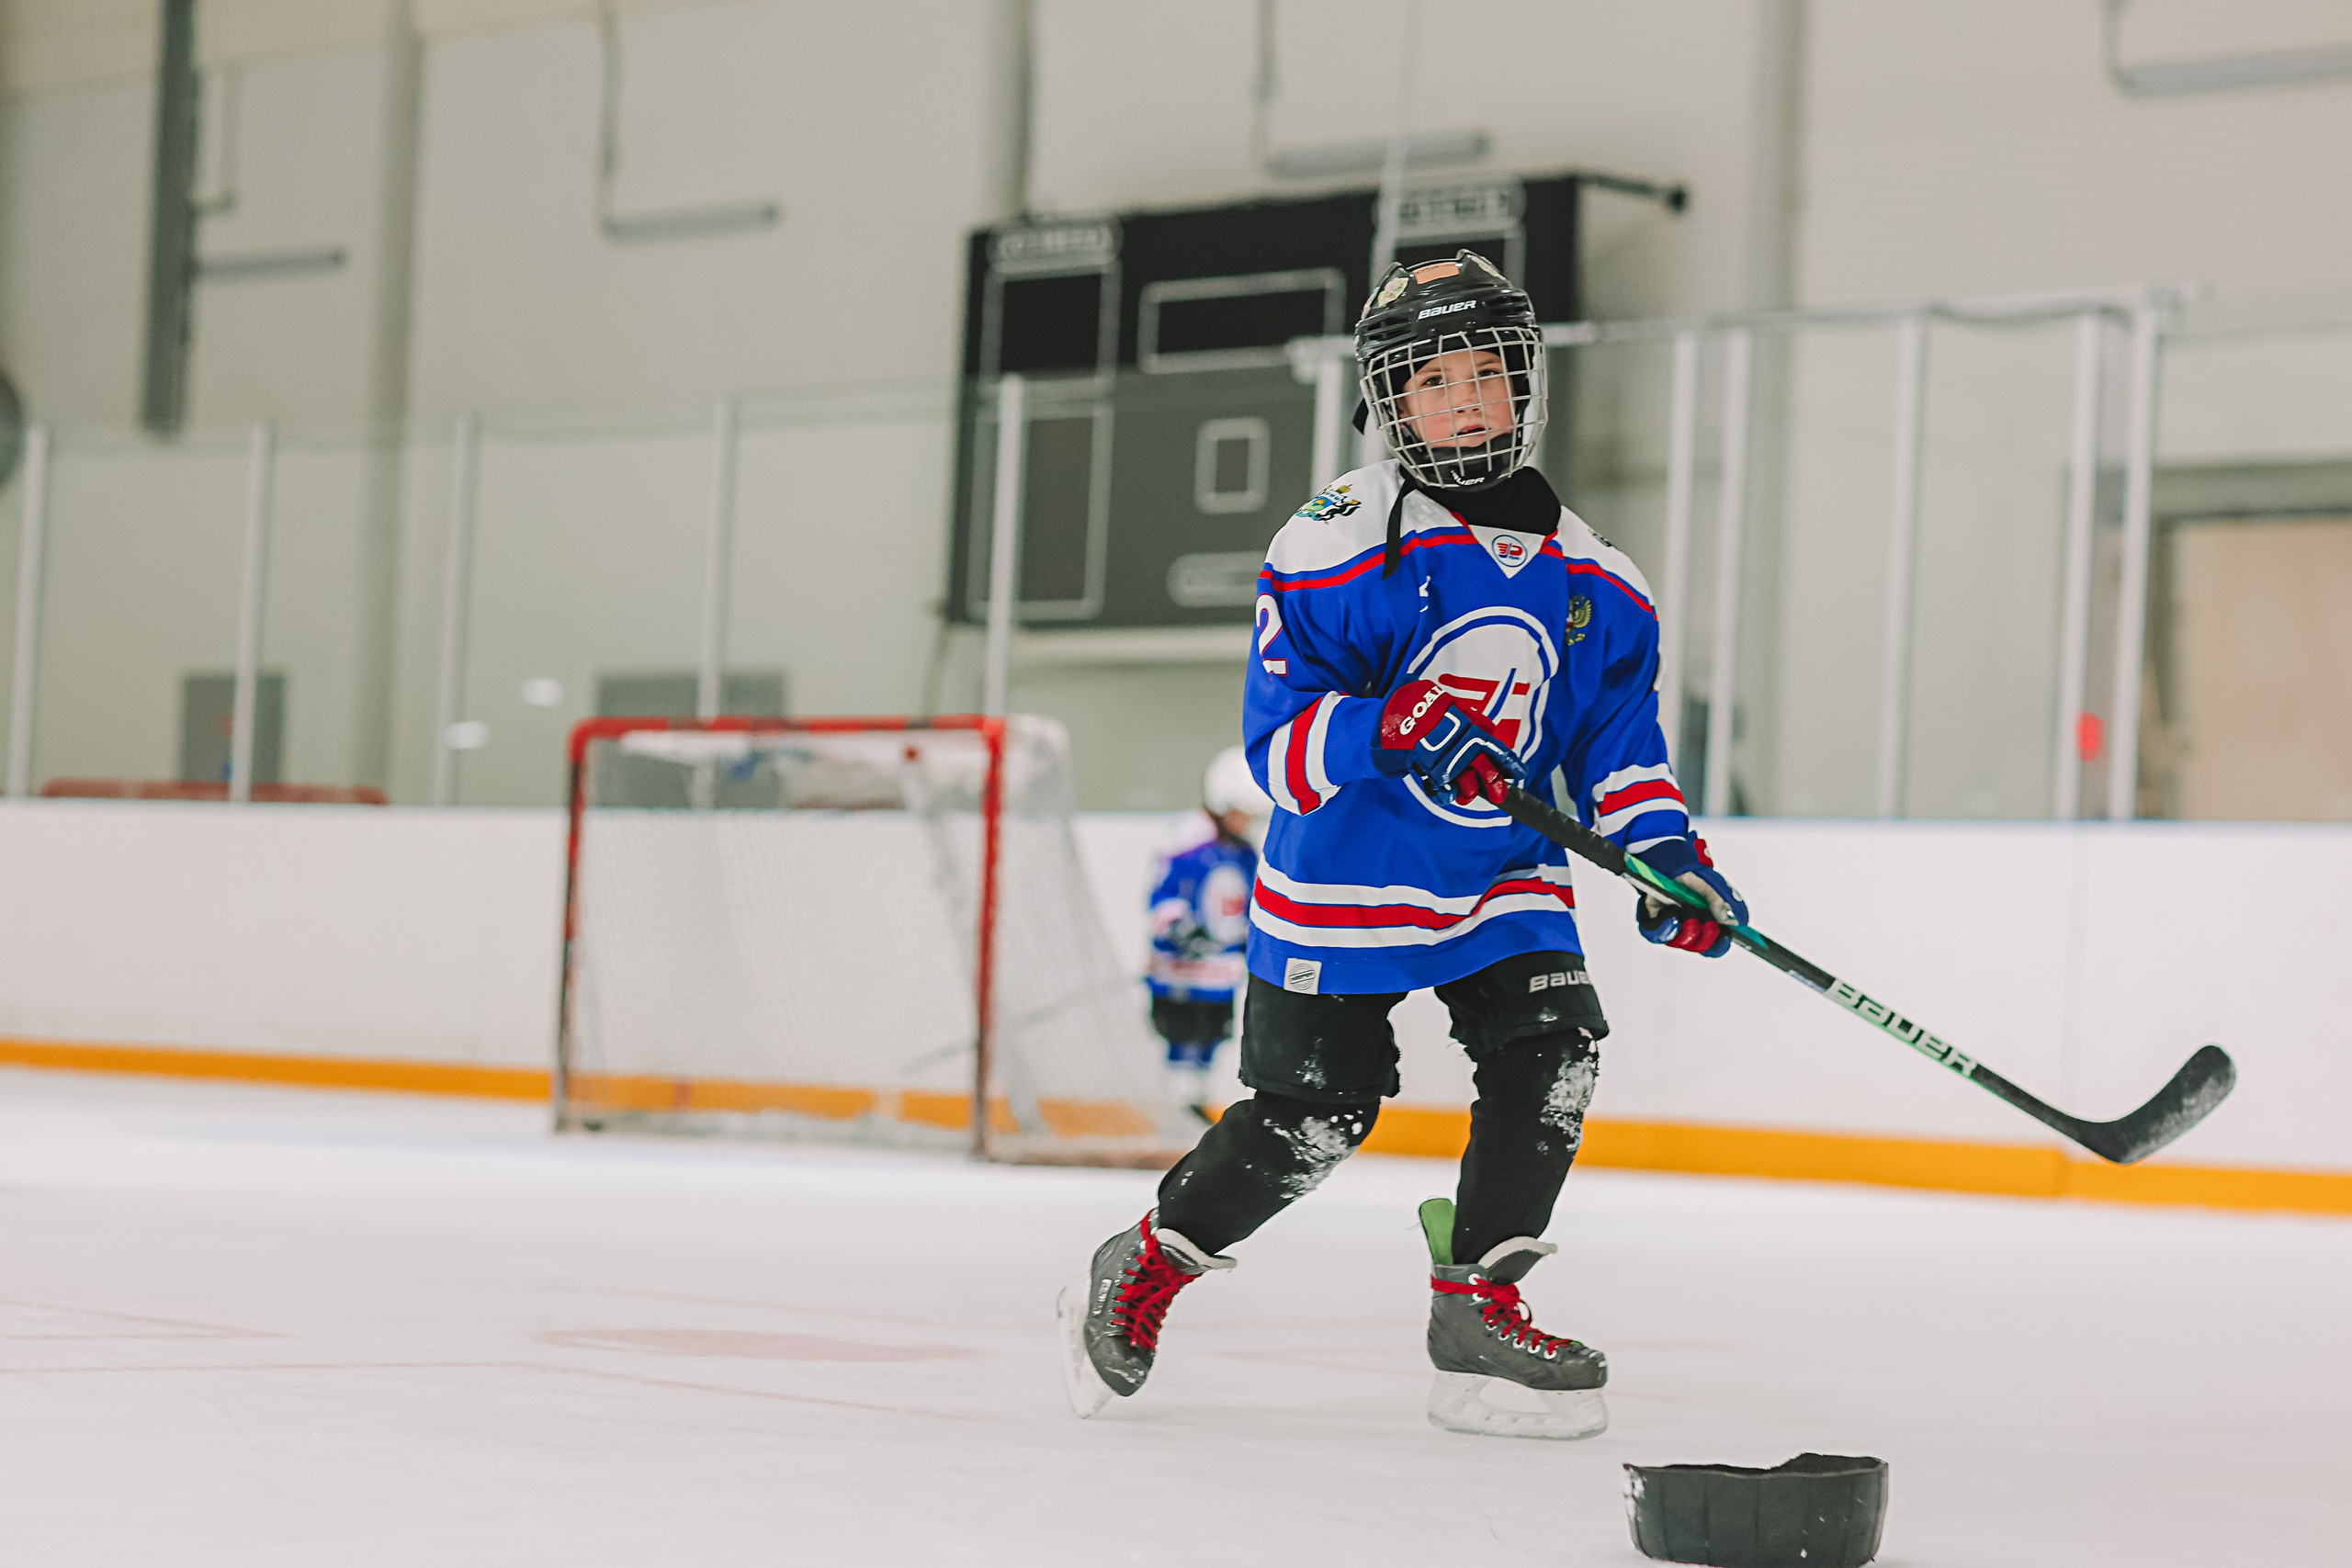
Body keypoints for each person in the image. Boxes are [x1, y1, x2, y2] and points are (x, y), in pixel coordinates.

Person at [1057, 251, 1747, 1438]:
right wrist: (1388, 725)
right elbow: (1278, 753)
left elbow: (1618, 754)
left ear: (1525, 381)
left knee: (1553, 1051)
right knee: (1314, 1115)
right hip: (1341, 877)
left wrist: (1666, 856)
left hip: (1500, 878)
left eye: (1486, 372)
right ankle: (1149, 1259)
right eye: (1434, 382)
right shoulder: (1334, 544)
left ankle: (1478, 1309)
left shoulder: (1604, 583)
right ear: (1392, 400)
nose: (1465, 401)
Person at [1144, 747, 1272, 1118]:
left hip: (1219, 972)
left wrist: (1249, 937)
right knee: (1180, 1037)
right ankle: (1175, 1107)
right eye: (1240, 813)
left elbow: (1248, 900)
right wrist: (1178, 928)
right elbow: (1163, 895)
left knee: (1210, 1036)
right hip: (1179, 970)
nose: (1245, 822)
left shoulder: (1242, 850)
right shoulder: (1186, 840)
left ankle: (1194, 1100)